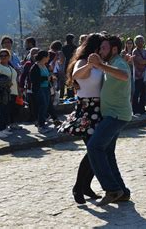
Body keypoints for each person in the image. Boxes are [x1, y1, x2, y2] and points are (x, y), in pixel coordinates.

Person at [86, 35, 132, 206]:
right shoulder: (113, 63)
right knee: (106, 152)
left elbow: (124, 75)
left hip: (116, 115)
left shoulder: (118, 62)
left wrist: (100, 65)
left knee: (94, 146)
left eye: (103, 48)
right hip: (114, 115)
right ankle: (122, 191)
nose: (100, 51)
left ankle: (112, 189)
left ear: (113, 49)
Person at [58, 33, 105, 204]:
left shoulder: (101, 63)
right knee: (93, 151)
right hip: (87, 109)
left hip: (100, 108)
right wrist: (92, 64)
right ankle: (78, 186)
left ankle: (85, 186)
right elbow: (76, 75)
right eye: (101, 47)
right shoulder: (83, 62)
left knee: (96, 151)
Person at [0, 49, 19, 138]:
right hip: (3, 92)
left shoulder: (9, 67)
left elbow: (15, 80)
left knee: (7, 111)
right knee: (3, 111)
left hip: (13, 92)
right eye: (1, 55)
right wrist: (6, 83)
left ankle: (3, 128)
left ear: (9, 56)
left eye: (5, 55)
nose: (3, 57)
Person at [29, 51, 55, 134]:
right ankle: (41, 125)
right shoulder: (35, 67)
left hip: (46, 88)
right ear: (44, 57)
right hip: (39, 89)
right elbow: (33, 79)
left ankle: (42, 123)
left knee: (46, 105)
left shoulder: (45, 66)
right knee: (42, 106)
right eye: (48, 56)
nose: (49, 58)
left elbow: (47, 76)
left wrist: (51, 78)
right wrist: (45, 78)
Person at [19, 47, 40, 122]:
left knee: (39, 103)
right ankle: (32, 117)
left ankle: (39, 117)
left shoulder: (42, 63)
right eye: (32, 53)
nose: (34, 55)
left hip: (41, 86)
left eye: (36, 53)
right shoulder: (28, 64)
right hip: (30, 86)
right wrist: (21, 86)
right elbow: (23, 76)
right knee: (31, 103)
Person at [132, 35, 146, 115]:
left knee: (144, 92)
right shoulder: (135, 51)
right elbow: (140, 61)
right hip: (137, 75)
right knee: (136, 93)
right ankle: (135, 109)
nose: (141, 42)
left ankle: (142, 109)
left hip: (145, 75)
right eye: (138, 41)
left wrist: (145, 61)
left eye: (142, 41)